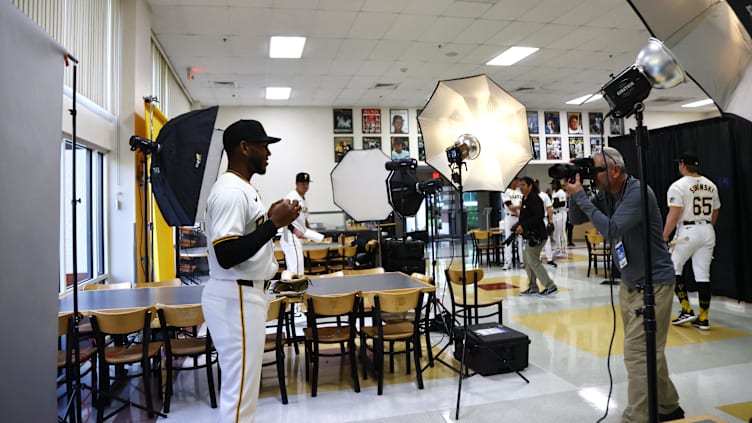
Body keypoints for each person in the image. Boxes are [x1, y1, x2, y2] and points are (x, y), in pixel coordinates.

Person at [566, 146, 684, 422]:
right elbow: (575, 219)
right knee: (648, 351)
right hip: (630, 283)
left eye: (596, 172)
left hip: (654, 286)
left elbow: (612, 229)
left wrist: (581, 196)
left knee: (637, 354)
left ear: (615, 170)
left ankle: (638, 417)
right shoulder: (609, 194)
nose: (593, 178)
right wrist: (575, 191)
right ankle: (668, 406)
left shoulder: (637, 193)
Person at [202, 119, 300, 422]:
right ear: (244, 147)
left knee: (242, 390)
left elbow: (241, 240)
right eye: (263, 146)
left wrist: (266, 220)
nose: (268, 152)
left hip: (244, 296)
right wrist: (273, 224)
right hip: (237, 297)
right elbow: (227, 253)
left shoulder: (242, 188)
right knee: (240, 395)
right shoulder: (231, 191)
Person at [662, 152, 720, 330]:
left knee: (673, 268)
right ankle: (703, 318)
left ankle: (686, 309)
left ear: (682, 165)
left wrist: (664, 236)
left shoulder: (678, 186)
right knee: (703, 274)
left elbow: (674, 214)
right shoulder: (711, 185)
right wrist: (706, 227)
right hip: (707, 230)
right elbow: (716, 211)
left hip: (687, 231)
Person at [517, 177, 558, 296]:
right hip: (529, 235)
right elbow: (526, 216)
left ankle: (551, 287)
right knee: (527, 260)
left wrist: (524, 226)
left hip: (538, 235)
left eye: (523, 185)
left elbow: (538, 216)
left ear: (530, 186)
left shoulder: (535, 199)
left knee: (533, 260)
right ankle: (533, 287)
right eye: (520, 185)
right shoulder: (525, 198)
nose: (521, 187)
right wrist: (519, 225)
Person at [279, 172, 313, 275]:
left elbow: (304, 219)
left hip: (295, 237)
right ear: (296, 184)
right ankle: (295, 289)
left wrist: (310, 231)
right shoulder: (292, 197)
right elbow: (283, 216)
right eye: (302, 183)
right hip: (289, 235)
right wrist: (294, 229)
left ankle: (289, 288)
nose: (305, 186)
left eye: (307, 183)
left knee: (294, 268)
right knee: (296, 270)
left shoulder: (303, 199)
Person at [502, 177, 524, 270]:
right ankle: (507, 262)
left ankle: (522, 261)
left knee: (521, 240)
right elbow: (510, 207)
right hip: (510, 217)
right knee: (509, 240)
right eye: (515, 181)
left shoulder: (520, 192)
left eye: (517, 181)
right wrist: (520, 207)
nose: (517, 183)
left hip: (520, 218)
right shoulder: (506, 192)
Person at [537, 180, 557, 267]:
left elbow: (549, 208)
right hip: (533, 221)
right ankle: (537, 259)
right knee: (535, 240)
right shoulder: (529, 196)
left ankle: (549, 259)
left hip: (543, 219)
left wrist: (551, 221)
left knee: (547, 239)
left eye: (536, 184)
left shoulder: (544, 195)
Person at [550, 179, 569, 257]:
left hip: (561, 213)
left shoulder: (561, 192)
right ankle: (558, 248)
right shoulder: (554, 193)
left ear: (556, 184)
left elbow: (562, 203)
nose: (551, 186)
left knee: (561, 232)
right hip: (554, 214)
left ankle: (563, 250)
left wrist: (554, 204)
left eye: (553, 184)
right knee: (555, 233)